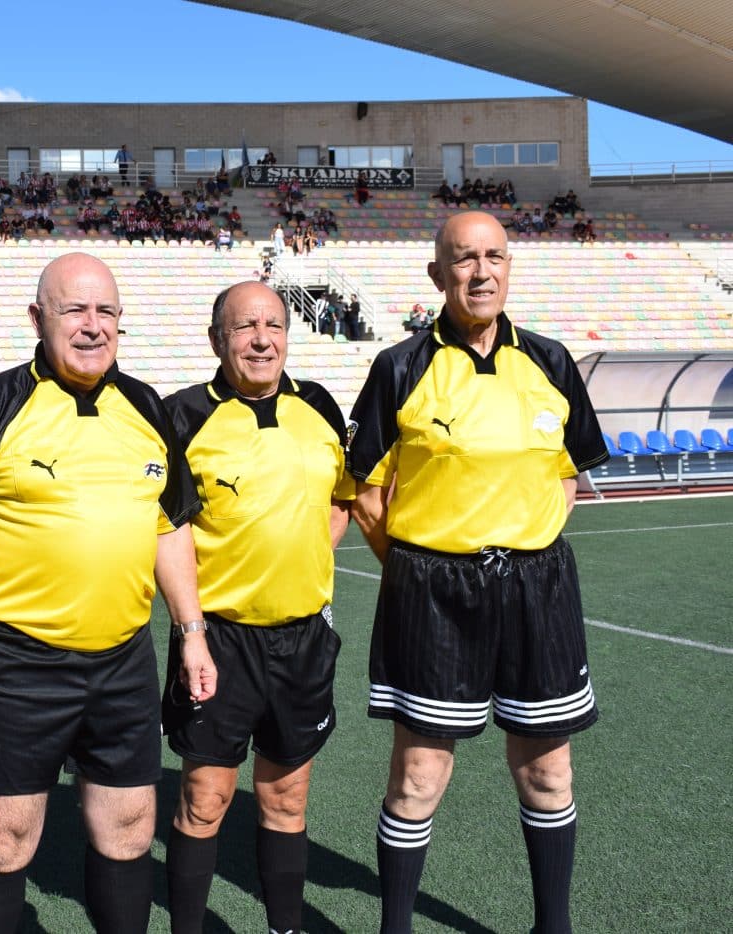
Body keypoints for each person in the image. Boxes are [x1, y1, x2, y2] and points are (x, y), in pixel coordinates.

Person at [0, 252, 213, 933]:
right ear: (37, 318)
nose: (92, 325)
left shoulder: (147, 407)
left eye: (106, 311)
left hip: (124, 659)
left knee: (130, 831)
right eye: (74, 309)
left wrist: (192, 633)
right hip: (20, 662)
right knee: (4, 837)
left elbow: (171, 529)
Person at [349, 212, 609, 934]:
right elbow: (366, 494)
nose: (481, 271)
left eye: (495, 256)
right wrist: (422, 568)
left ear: (509, 267)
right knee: (418, 776)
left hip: (538, 588)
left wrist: (526, 542)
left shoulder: (552, 360)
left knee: (548, 771)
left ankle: (552, 926)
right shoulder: (400, 366)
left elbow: (567, 475)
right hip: (432, 591)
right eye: (464, 259)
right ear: (439, 274)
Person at [161, 282, 353, 934]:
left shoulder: (319, 405)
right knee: (204, 798)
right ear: (218, 340)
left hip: (303, 638)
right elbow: (165, 529)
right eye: (245, 327)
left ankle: (285, 927)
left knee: (287, 796)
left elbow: (341, 501)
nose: (262, 340)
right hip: (218, 640)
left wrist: (294, 560)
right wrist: (191, 627)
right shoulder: (183, 415)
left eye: (273, 325)